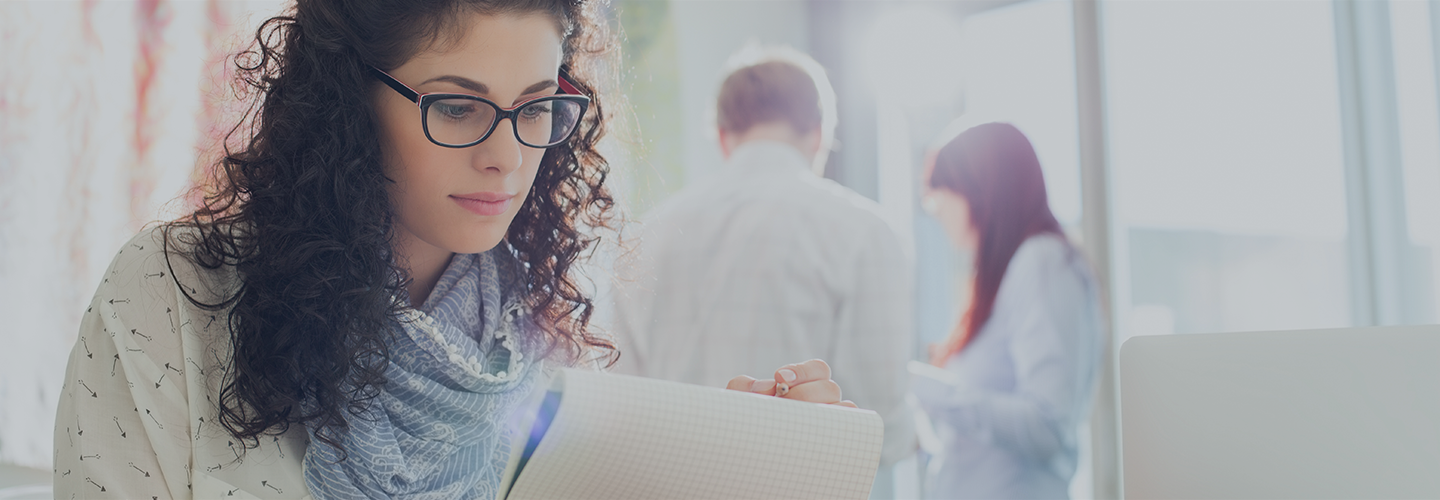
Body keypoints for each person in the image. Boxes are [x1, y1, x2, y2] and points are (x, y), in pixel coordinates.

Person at [52, 2, 852, 498]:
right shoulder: (172, 292)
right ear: (344, 99)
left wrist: (758, 463)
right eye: (459, 107)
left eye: (537, 108)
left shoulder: (547, 338)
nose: (507, 157)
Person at [609, 46, 916, 493]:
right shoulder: (868, 232)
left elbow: (624, 410)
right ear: (819, 134)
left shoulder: (644, 237)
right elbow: (880, 425)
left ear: (721, 135)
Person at [911, 121, 1104, 499]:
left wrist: (927, 390)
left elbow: (1048, 425)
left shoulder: (1042, 262)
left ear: (978, 191)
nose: (937, 212)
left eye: (941, 196)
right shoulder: (1007, 273)